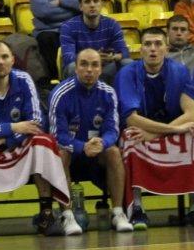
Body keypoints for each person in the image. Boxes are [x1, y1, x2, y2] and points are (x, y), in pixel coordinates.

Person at [0, 40, 76, 240]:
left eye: (4, 57)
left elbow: (36, 122)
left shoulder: (24, 79)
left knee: (44, 141)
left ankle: (46, 214)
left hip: (14, 145)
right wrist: (12, 127)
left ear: (12, 60)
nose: (0, 62)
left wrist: (4, 140)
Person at [114, 27, 194, 229]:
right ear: (140, 49)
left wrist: (156, 133)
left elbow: (191, 114)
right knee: (130, 136)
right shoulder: (126, 74)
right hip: (143, 129)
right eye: (147, 44)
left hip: (161, 129)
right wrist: (173, 130)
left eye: (158, 44)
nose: (153, 49)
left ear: (166, 49)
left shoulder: (180, 71)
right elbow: (132, 119)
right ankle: (137, 207)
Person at [49, 48, 134, 233]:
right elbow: (57, 135)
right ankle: (67, 215)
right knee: (60, 154)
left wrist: (102, 143)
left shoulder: (108, 93)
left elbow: (112, 130)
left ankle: (118, 213)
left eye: (95, 65)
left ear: (101, 69)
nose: (89, 70)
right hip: (72, 151)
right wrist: (82, 147)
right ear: (75, 68)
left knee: (114, 152)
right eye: (84, 64)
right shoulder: (60, 94)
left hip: (97, 151)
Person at [59, 0, 129, 80]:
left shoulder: (112, 24)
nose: (92, 5)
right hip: (82, 67)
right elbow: (68, 57)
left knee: (127, 63)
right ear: (80, 6)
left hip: (106, 67)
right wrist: (93, 57)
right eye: (87, 2)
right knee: (72, 67)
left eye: (96, 1)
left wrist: (113, 57)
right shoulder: (68, 27)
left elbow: (124, 52)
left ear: (101, 4)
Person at [31, 0, 84, 74]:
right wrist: (73, 9)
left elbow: (84, 7)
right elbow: (43, 12)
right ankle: (55, 78)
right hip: (50, 32)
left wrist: (61, 2)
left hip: (75, 30)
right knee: (47, 39)